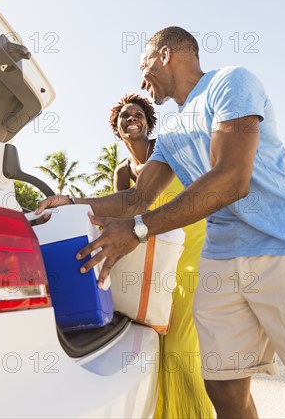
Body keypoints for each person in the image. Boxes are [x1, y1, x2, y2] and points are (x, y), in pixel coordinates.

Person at [36, 26, 285, 418]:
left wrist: (137, 230)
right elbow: (136, 197)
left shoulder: (230, 83)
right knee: (223, 388)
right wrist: (73, 202)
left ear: (165, 54)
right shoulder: (170, 132)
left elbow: (231, 179)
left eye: (144, 64)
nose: (141, 77)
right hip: (220, 261)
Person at [110, 93, 214, 418]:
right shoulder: (121, 171)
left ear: (147, 121)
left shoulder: (165, 149)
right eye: (124, 116)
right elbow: (123, 212)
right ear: (117, 128)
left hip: (192, 243)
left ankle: (197, 412)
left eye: (138, 114)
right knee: (159, 344)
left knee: (183, 344)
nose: (131, 119)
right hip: (156, 257)